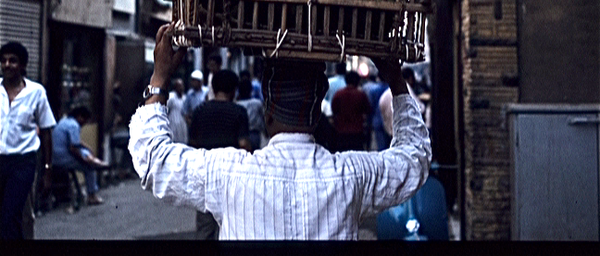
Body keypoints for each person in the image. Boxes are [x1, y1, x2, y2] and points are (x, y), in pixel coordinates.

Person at [129, 23, 431, 240]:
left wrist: (159, 78)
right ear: (316, 115)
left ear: (267, 111)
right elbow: (414, 158)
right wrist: (396, 80)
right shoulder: (351, 176)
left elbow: (152, 158)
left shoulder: (230, 174)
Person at [0, 41, 56, 239]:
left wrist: (48, 171)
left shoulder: (36, 92)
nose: (7, 65)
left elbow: (47, 131)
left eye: (13, 61)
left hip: (22, 163)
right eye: (4, 60)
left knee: (11, 215)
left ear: (22, 65)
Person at [189, 69, 251, 239]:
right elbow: (244, 145)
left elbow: (192, 146)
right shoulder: (239, 112)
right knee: (233, 230)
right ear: (233, 90)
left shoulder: (199, 111)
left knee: (205, 231)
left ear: (213, 88)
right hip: (232, 182)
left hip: (205, 180)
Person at [52, 106, 108, 206]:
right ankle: (92, 196)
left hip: (55, 157)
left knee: (84, 152)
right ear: (79, 117)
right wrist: (83, 160)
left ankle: (94, 160)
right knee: (89, 167)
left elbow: (76, 142)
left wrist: (87, 147)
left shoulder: (64, 122)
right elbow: (73, 148)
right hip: (63, 158)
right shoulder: (74, 126)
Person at [330, 71, 372, 151]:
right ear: (358, 81)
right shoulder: (361, 94)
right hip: (357, 132)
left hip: (341, 131)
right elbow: (368, 110)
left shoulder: (338, 94)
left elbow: (334, 109)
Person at [361, 72, 389, 151]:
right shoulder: (390, 90)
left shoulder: (374, 90)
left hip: (377, 120)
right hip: (390, 120)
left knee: (381, 145)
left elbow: (370, 106)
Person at [236, 78, 266, 151]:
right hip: (254, 135)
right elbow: (263, 118)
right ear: (251, 90)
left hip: (239, 137)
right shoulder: (257, 103)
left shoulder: (236, 105)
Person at [166, 78, 188, 144]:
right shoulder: (171, 97)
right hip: (172, 123)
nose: (181, 88)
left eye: (182, 86)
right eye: (179, 86)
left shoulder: (185, 98)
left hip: (182, 123)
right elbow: (167, 110)